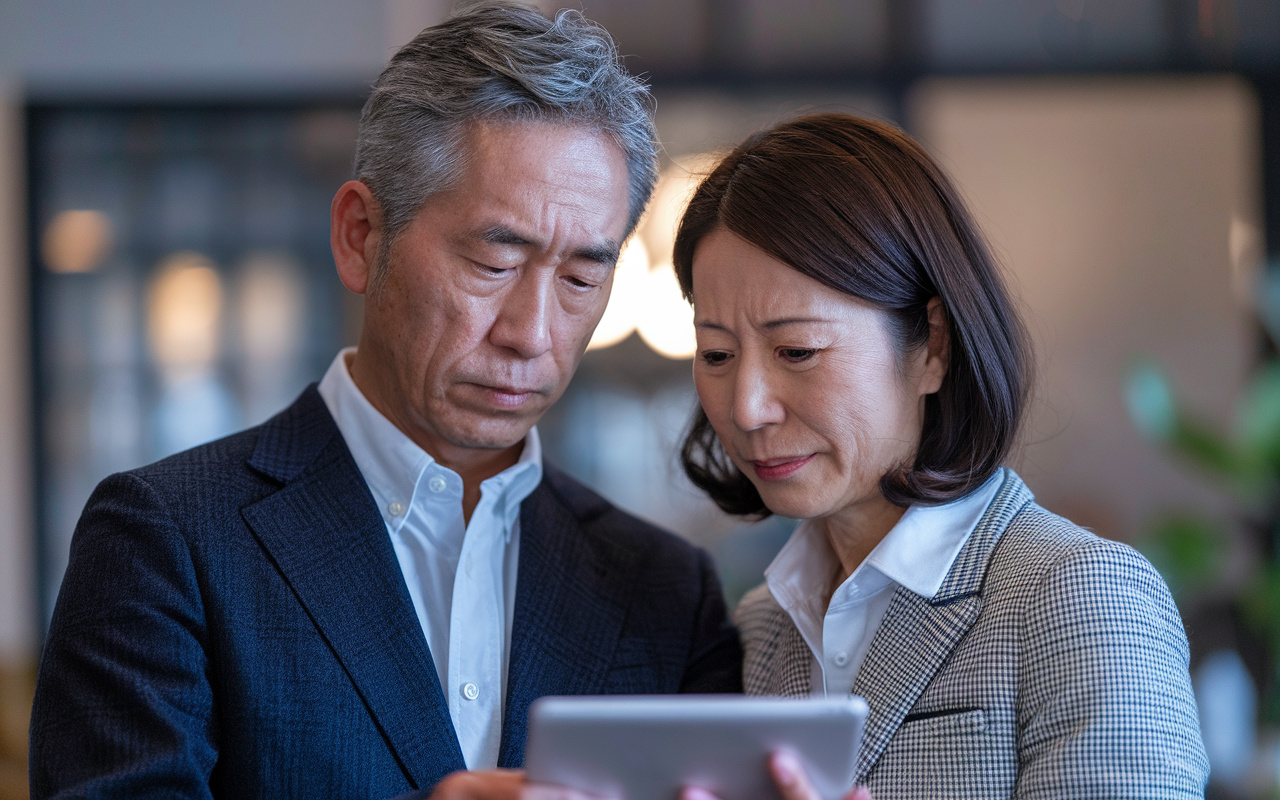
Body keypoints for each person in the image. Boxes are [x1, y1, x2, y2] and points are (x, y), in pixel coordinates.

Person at [27, 3, 741, 798]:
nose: (533, 333)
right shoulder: (168, 542)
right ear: (362, 235)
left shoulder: (667, 591)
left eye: (581, 278)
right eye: (493, 262)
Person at [671, 113, 1208, 799]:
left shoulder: (1075, 594)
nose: (746, 408)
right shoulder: (763, 627)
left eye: (796, 350)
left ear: (933, 345)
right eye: (716, 354)